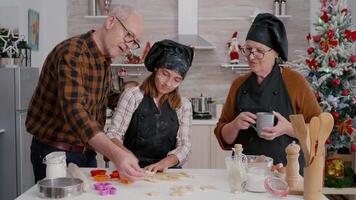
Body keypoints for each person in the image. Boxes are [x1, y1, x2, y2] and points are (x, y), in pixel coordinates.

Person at [26, 5, 145, 182]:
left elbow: (105, 98)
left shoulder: (103, 59)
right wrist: (116, 154)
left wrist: (140, 97)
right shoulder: (72, 53)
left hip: (86, 153)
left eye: (134, 41)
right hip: (57, 154)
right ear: (111, 21)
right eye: (128, 35)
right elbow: (75, 110)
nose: (129, 46)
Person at [214, 13, 321, 174]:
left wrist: (288, 128)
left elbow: (318, 128)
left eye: (259, 51)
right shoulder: (238, 85)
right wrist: (235, 124)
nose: (251, 56)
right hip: (244, 173)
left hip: (286, 174)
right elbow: (224, 138)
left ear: (276, 53)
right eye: (248, 49)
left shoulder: (295, 82)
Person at [106, 39, 193, 173]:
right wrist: (128, 156)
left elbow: (184, 145)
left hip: (168, 171)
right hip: (132, 169)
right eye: (165, 74)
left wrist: (164, 163)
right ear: (156, 69)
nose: (168, 84)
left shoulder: (184, 105)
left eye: (176, 80)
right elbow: (113, 135)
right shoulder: (132, 96)